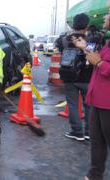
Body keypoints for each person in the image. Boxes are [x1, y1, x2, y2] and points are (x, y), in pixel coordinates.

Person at [72, 12, 110, 180]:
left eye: (108, 14)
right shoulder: (108, 42)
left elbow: (100, 62)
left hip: (108, 103)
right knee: (97, 143)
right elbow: (97, 58)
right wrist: (84, 48)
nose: (105, 17)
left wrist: (100, 64)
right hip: (97, 99)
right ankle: (94, 176)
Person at [56, 13, 93, 141]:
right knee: (88, 105)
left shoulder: (64, 39)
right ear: (87, 25)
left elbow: (59, 47)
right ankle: (89, 132)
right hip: (87, 77)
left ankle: (77, 132)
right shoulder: (92, 39)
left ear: (73, 25)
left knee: (72, 104)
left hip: (69, 75)